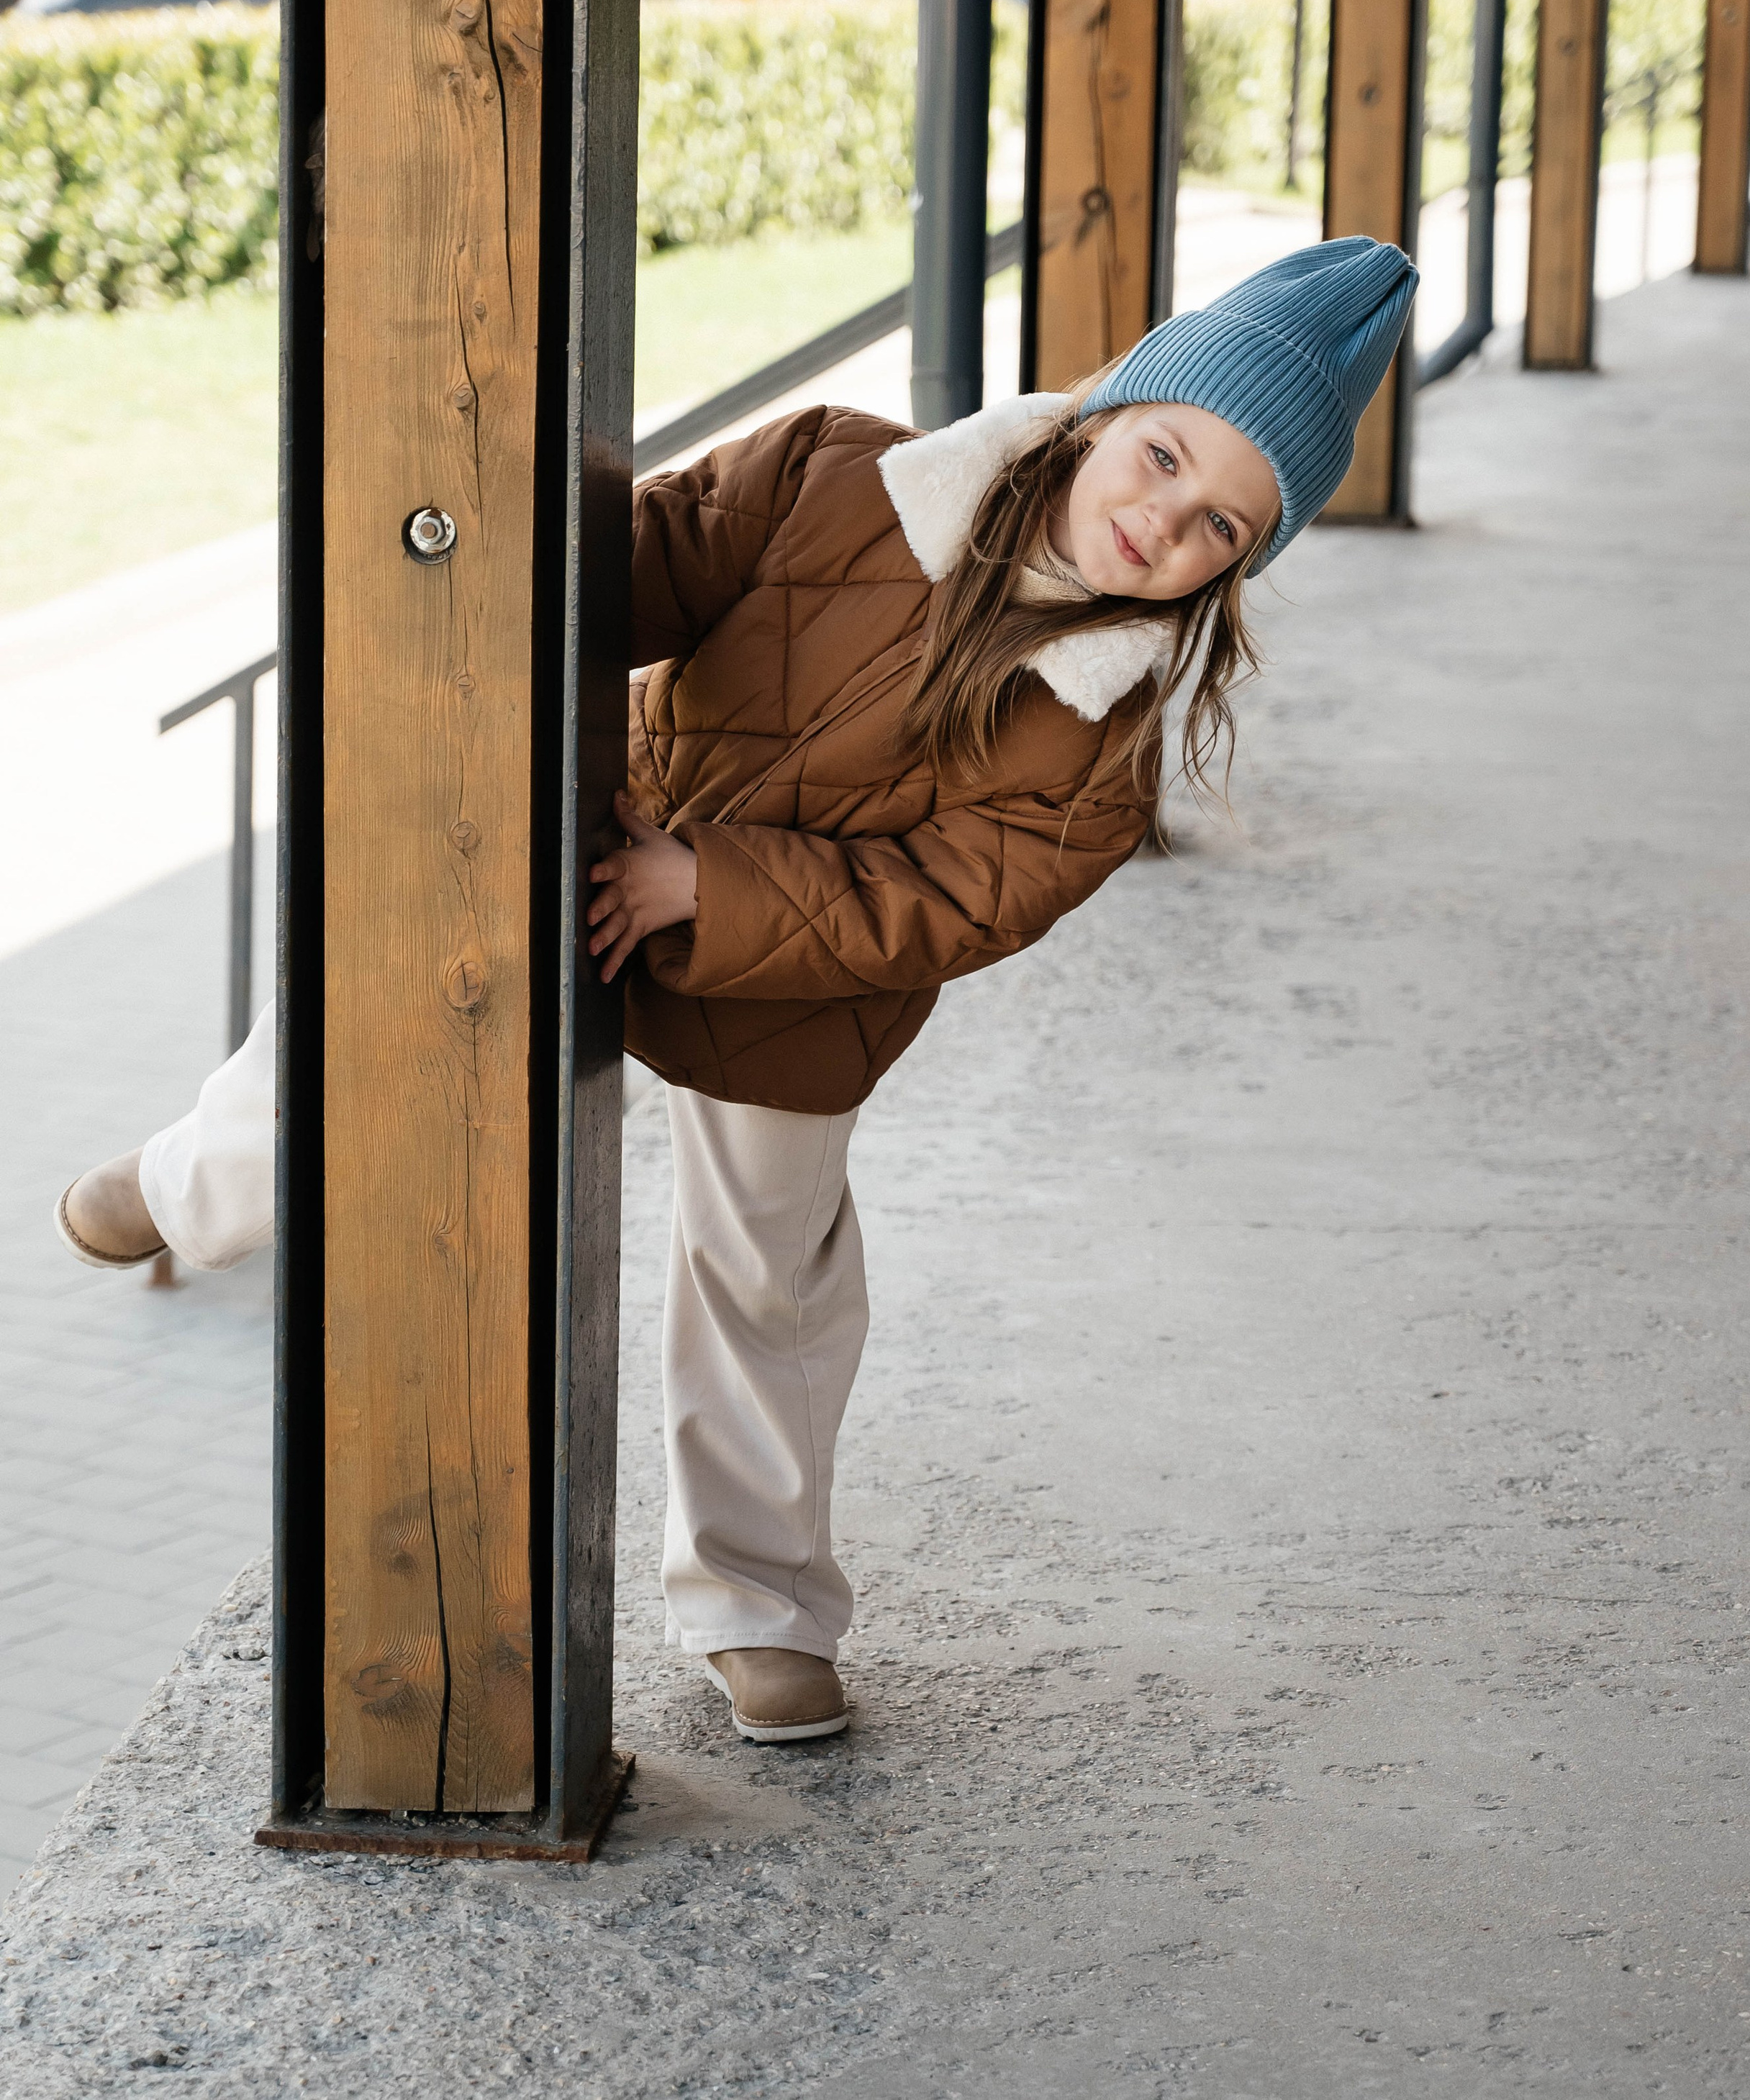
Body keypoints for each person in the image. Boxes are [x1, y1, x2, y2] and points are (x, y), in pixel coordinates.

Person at [56, 237, 1415, 1743]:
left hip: (793, 992)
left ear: (1239, 564)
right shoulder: (835, 471)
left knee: (771, 1275)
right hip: (609, 827)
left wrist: (704, 886)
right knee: (386, 980)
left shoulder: (1102, 746)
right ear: (1100, 412)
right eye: (1161, 455)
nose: (1159, 520)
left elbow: (946, 903)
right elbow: (635, 562)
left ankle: (756, 1602)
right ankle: (193, 1182)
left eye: (1220, 523)